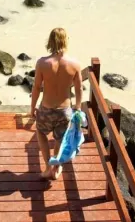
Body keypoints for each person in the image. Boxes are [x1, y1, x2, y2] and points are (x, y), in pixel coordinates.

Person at [30, 28, 82, 180]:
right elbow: (79, 88)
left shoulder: (42, 63)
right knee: (60, 139)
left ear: (50, 41)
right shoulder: (75, 64)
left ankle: (47, 167)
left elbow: (37, 87)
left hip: (46, 108)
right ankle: (56, 167)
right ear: (66, 41)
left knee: (40, 132)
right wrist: (77, 107)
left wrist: (32, 107)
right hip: (65, 110)